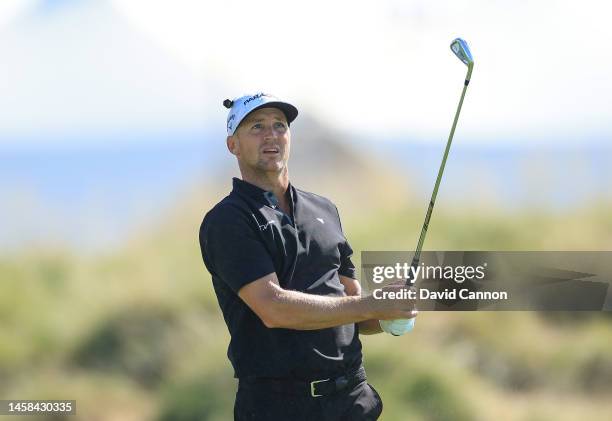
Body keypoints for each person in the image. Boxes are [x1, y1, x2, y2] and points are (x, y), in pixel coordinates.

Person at [199, 92, 416, 420]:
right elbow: (273, 308)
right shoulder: (229, 220)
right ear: (233, 145)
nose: (271, 134)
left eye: (280, 125)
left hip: (352, 401)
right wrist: (371, 305)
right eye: (257, 127)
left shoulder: (324, 210)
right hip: (279, 406)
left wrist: (390, 316)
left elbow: (353, 309)